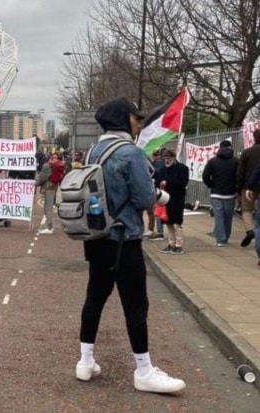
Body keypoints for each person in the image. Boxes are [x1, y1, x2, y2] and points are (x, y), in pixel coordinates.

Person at [76, 97, 185, 394]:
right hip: (125, 238)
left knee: (94, 298)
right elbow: (142, 199)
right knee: (136, 304)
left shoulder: (93, 151)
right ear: (124, 120)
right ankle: (144, 370)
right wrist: (160, 197)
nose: (139, 123)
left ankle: (85, 362)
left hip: (96, 236)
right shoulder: (131, 153)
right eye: (136, 118)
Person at [202, 140, 238, 247]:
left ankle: (220, 240)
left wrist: (211, 185)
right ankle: (226, 237)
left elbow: (205, 176)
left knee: (219, 216)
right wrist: (236, 187)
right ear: (231, 148)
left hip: (216, 193)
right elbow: (239, 176)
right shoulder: (236, 161)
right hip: (231, 193)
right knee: (228, 216)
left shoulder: (213, 161)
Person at [156, 149, 189, 255]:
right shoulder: (162, 170)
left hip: (177, 198)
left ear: (174, 158)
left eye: (168, 158)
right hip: (165, 199)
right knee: (168, 222)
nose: (166, 161)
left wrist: (168, 183)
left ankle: (179, 245)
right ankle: (171, 243)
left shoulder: (182, 168)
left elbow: (183, 183)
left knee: (176, 223)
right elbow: (157, 182)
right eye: (164, 159)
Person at [237, 129, 260, 247]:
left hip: (248, 186)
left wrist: (239, 187)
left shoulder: (247, 152)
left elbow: (240, 172)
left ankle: (250, 230)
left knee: (246, 209)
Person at [36, 153, 66, 234]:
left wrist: (35, 183)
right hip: (54, 187)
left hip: (49, 187)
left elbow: (42, 178)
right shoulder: (53, 165)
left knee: (48, 208)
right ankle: (48, 226)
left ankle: (49, 227)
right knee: (48, 206)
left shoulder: (46, 166)